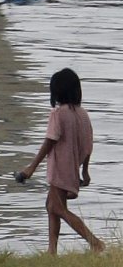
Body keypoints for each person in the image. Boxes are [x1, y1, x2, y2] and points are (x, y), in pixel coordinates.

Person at [16, 67, 105, 255]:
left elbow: (50, 141)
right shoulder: (83, 114)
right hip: (72, 168)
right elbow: (88, 144)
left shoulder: (58, 114)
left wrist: (31, 168)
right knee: (51, 206)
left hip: (59, 168)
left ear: (56, 92)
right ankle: (52, 251)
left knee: (58, 208)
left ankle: (95, 243)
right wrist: (85, 170)